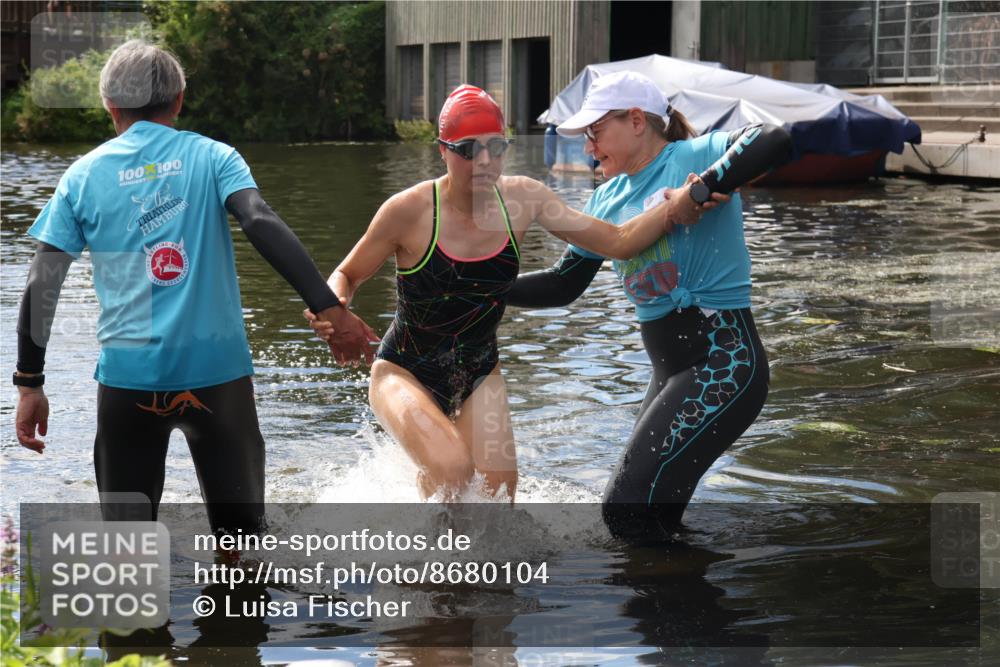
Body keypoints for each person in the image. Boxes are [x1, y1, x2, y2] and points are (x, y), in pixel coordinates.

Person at [13, 39, 377, 535]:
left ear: (109, 105)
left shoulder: (83, 176)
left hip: (128, 382)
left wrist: (29, 383)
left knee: (126, 552)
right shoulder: (213, 157)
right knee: (244, 544)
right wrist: (329, 308)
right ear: (179, 99)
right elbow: (258, 219)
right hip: (218, 378)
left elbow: (42, 282)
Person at [306, 84, 728, 503]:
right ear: (443, 151)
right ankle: (421, 564)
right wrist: (333, 307)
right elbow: (347, 273)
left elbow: (617, 240)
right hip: (404, 371)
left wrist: (676, 206)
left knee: (498, 500)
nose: (486, 161)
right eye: (469, 150)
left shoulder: (524, 198)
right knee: (452, 470)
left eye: (497, 147)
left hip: (478, 372)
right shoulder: (408, 211)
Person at [506, 70, 794, 541]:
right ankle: (674, 602)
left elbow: (774, 138)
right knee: (643, 516)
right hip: (670, 373)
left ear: (636, 120)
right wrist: (481, 286)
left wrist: (697, 190)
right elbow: (563, 284)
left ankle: (671, 603)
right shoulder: (603, 198)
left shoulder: (693, 156)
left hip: (723, 361)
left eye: (595, 132)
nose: (588, 147)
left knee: (626, 512)